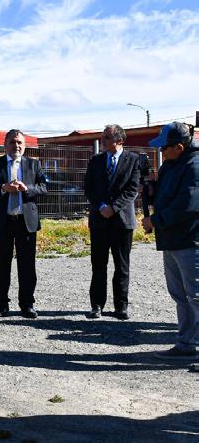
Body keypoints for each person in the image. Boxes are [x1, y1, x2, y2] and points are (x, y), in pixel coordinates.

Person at [143, 122, 198, 359]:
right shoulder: (171, 165)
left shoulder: (195, 166)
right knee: (180, 295)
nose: (161, 152)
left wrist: (156, 221)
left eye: (164, 148)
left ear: (179, 147)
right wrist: (152, 190)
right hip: (173, 240)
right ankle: (187, 344)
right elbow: (168, 195)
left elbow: (187, 205)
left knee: (196, 295)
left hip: (191, 241)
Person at [0, 129, 47, 318]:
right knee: (2, 265)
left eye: (19, 143)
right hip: (3, 222)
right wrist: (3, 188)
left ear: (24, 145)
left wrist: (28, 189)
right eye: (12, 142)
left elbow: (44, 187)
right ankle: (1, 304)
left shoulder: (33, 164)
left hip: (25, 223)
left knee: (27, 266)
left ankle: (27, 304)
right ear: (5, 145)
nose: (16, 146)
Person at [84, 124, 140, 320]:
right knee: (98, 265)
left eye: (107, 137)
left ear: (120, 140)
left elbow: (132, 189)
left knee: (122, 266)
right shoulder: (96, 160)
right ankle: (97, 305)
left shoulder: (133, 160)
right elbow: (88, 187)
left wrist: (114, 208)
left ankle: (121, 306)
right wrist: (101, 207)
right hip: (99, 221)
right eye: (102, 136)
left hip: (122, 222)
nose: (103, 140)